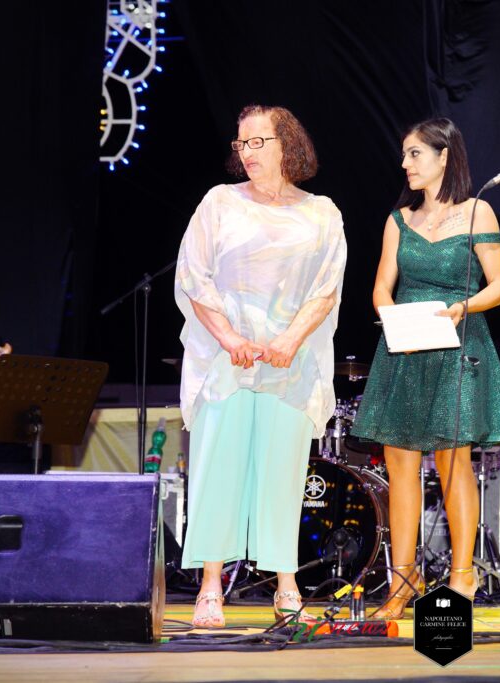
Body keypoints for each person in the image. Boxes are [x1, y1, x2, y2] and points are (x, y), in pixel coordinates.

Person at [175, 104, 347, 628]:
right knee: (217, 469)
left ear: (285, 145)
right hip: (226, 362)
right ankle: (210, 586)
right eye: (240, 144)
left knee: (282, 474)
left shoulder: (321, 212)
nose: (246, 153)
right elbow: (194, 277)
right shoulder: (219, 203)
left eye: (257, 142)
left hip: (290, 366)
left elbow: (326, 288)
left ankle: (286, 582)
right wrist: (230, 339)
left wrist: (291, 341)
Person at [351, 118, 500, 619]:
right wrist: (389, 313)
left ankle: (461, 578)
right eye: (403, 156)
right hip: (405, 349)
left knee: (453, 466)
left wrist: (461, 308)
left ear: (444, 156)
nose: (405, 164)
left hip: (456, 346)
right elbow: (382, 285)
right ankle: (401, 584)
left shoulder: (477, 211)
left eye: (414, 154)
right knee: (400, 465)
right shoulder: (398, 220)